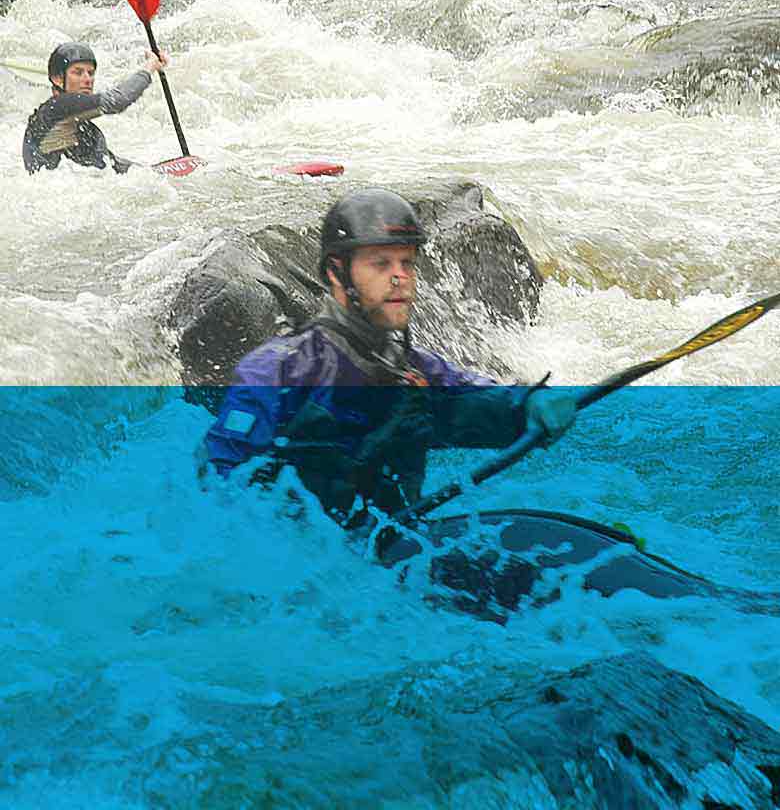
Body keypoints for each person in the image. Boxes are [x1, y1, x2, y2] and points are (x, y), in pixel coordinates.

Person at [204, 187, 578, 621]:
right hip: (294, 597)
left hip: (387, 581)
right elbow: (220, 500)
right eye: (381, 264)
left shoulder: (412, 369)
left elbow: (479, 401)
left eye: (407, 264)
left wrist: (530, 405)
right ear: (335, 274)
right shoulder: (276, 373)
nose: (400, 278)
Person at [23, 42, 168, 175]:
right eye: (78, 72)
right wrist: (150, 67)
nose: (87, 79)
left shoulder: (84, 128)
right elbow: (118, 100)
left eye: (91, 73)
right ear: (58, 79)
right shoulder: (55, 108)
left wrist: (152, 172)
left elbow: (111, 165)